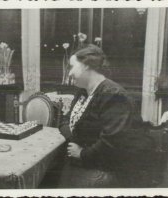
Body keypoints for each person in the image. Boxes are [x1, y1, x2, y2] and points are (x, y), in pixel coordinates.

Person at [58, 44, 155, 188]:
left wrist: (82, 153)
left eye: (72, 66)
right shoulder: (82, 92)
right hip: (83, 160)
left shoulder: (114, 95)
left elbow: (113, 141)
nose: (70, 73)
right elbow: (65, 120)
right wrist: (74, 141)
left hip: (109, 169)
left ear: (86, 65)